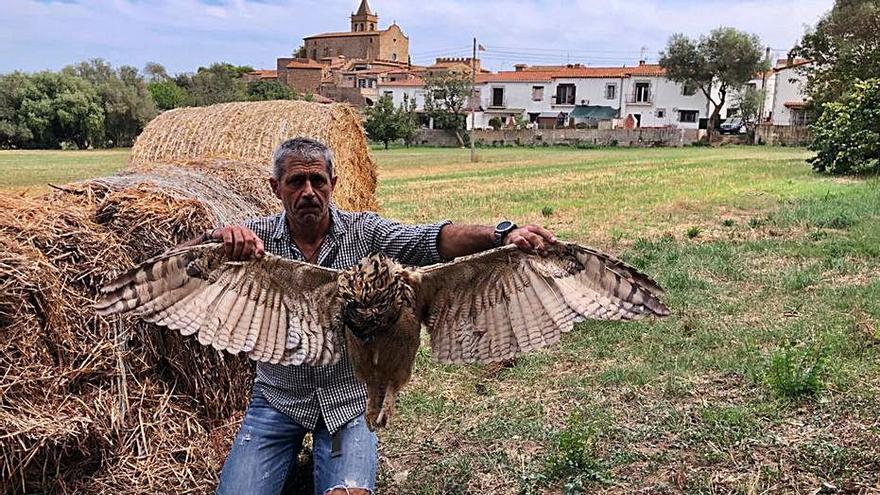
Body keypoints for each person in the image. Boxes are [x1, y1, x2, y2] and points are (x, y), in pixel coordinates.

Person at [198, 137, 556, 495]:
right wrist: (216, 237)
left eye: (318, 180)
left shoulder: (366, 232)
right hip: (278, 398)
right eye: (296, 182)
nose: (309, 191)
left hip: (349, 401)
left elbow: (431, 239)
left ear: (333, 184)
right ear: (276, 188)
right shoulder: (254, 241)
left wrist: (501, 233)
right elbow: (185, 262)